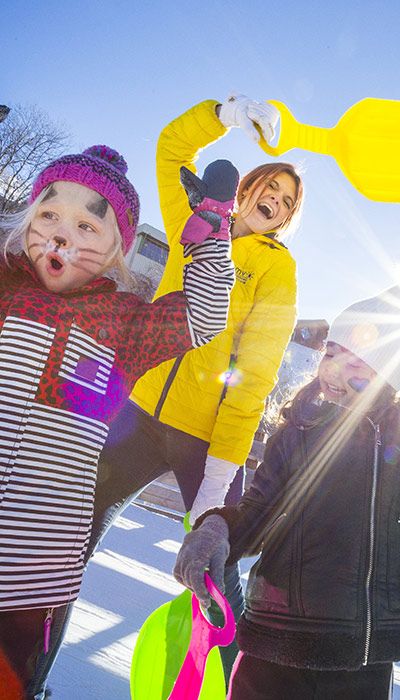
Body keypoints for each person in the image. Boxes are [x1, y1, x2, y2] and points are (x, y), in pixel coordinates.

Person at [29, 92, 304, 697]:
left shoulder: (277, 270)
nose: (275, 203)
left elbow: (255, 374)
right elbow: (171, 147)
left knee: (218, 575)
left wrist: (219, 473)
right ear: (249, 187)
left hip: (206, 437)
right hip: (134, 411)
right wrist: (225, 115)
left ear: (286, 219)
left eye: (287, 203)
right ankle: (28, 678)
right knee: (60, 543)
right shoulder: (198, 218)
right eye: (270, 189)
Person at [171, 245, 400, 699]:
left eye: (358, 365)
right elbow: (257, 511)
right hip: (276, 640)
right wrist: (218, 529)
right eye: (332, 354)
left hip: (361, 655)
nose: (336, 374)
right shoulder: (296, 432)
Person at [0, 144, 235, 697]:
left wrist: (212, 232)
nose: (61, 236)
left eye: (86, 225)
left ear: (115, 253)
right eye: (49, 215)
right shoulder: (6, 295)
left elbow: (203, 315)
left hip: (34, 578)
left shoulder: (124, 327)